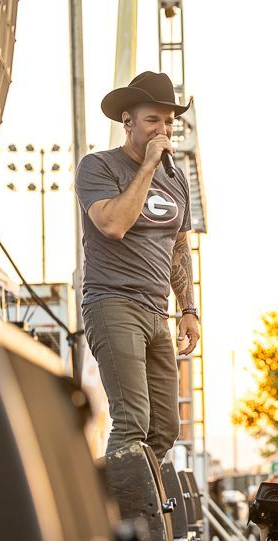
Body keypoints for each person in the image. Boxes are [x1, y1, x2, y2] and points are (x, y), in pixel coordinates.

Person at [75, 71, 199, 460]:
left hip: (156, 312)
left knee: (165, 427)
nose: (162, 129)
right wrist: (147, 167)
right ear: (126, 121)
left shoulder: (176, 182)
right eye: (152, 120)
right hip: (113, 303)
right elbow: (113, 224)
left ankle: (143, 511)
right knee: (132, 423)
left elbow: (179, 249)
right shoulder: (99, 167)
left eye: (168, 121)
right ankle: (113, 518)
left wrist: (189, 309)